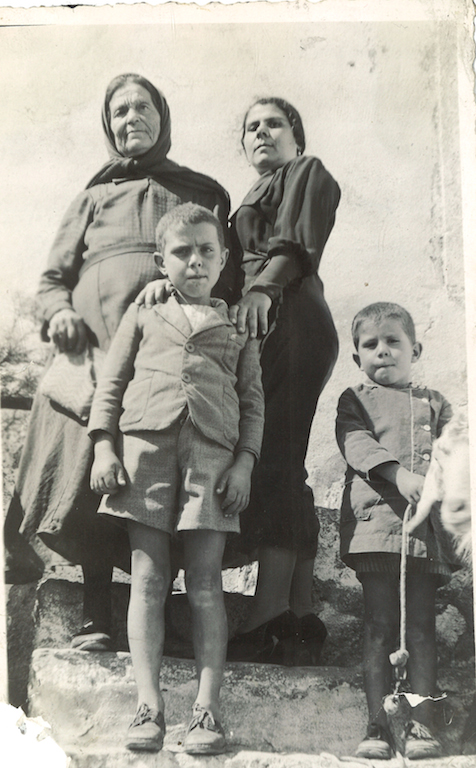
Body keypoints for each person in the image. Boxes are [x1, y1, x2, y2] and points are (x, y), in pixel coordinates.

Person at [4, 73, 233, 652]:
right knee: (93, 467)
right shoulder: (91, 197)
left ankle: (163, 616)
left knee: (162, 466)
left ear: (163, 114)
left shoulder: (200, 191)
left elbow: (215, 271)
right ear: (108, 125)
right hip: (94, 356)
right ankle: (97, 614)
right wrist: (60, 312)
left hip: (164, 360)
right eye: (120, 111)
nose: (132, 118)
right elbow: (52, 281)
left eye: (143, 107)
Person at [88, 203, 264, 754]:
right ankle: (149, 705)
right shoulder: (144, 313)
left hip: (212, 458)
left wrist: (244, 462)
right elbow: (111, 384)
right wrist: (103, 446)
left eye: (207, 251)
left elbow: (253, 403)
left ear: (223, 259)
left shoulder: (238, 327)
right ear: (161, 261)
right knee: (148, 578)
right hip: (146, 453)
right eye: (182, 252)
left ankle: (206, 710)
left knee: (206, 583)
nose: (195, 261)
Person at [226, 97, 341, 664]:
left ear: (297, 135)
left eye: (274, 123)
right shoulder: (248, 196)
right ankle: (300, 612)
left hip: (287, 312)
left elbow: (295, 244)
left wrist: (263, 289)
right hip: (265, 318)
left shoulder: (304, 170)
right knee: (285, 460)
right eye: (252, 127)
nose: (262, 133)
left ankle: (266, 616)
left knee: (273, 455)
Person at [335, 302, 460, 760]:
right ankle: (378, 724)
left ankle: (422, 724)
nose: (382, 351)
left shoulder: (436, 403)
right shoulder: (354, 400)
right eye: (371, 345)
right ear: (358, 358)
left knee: (421, 629)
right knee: (380, 627)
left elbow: (456, 451)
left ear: (416, 350)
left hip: (423, 536)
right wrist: (399, 475)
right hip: (377, 531)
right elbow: (355, 443)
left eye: (393, 342)